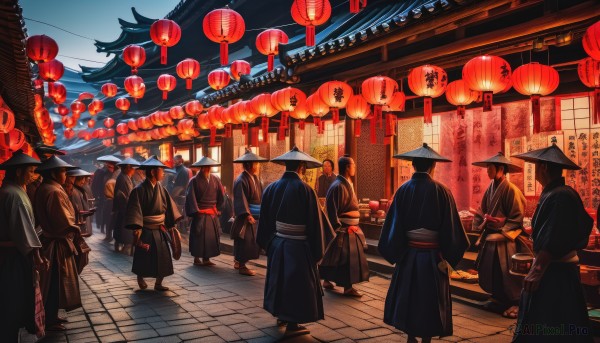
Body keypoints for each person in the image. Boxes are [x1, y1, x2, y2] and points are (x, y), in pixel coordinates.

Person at [379, 143, 469, 343]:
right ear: (432, 166)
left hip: (409, 255)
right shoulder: (442, 191)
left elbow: (393, 225)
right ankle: (426, 339)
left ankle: (411, 336)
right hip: (432, 257)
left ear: (413, 165)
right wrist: (449, 256)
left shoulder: (402, 191)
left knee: (409, 296)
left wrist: (398, 251)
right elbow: (451, 228)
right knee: (429, 298)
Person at [512, 143, 593, 342]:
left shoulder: (560, 195)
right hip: (555, 270)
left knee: (552, 324)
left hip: (556, 272)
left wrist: (537, 269)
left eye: (536, 165)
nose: (535, 170)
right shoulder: (556, 193)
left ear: (545, 167)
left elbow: (554, 236)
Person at [257, 147, 334, 339]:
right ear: (302, 166)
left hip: (277, 242)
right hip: (298, 246)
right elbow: (316, 223)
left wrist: (269, 243)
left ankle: (281, 315)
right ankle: (292, 323)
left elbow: (264, 220)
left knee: (279, 280)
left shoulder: (271, 188)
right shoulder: (305, 190)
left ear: (285, 165)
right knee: (295, 283)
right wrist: (317, 250)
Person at [471, 153, 526, 319]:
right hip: (491, 235)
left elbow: (517, 216)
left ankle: (513, 301)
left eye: (490, 168)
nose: (487, 171)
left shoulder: (512, 190)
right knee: (492, 270)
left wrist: (502, 224)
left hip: (505, 238)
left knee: (505, 272)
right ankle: (496, 299)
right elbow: (482, 210)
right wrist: (481, 222)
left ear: (500, 169)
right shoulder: (491, 189)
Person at [0, 151, 47, 341]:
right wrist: (37, 256)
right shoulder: (14, 195)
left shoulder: (10, 191)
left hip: (11, 253)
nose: (34, 175)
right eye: (31, 171)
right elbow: (24, 234)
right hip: (13, 257)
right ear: (19, 172)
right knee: (13, 301)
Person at [33, 156, 82, 331]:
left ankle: (52, 315)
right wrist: (75, 229)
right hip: (55, 243)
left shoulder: (45, 187)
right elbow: (63, 221)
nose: (66, 175)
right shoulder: (53, 191)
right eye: (63, 171)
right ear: (54, 173)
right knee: (54, 281)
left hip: (51, 240)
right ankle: (50, 318)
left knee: (55, 281)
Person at [124, 156, 182, 291]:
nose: (163, 173)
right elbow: (135, 209)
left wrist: (171, 224)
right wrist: (137, 228)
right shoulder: (138, 190)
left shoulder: (161, 188)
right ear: (152, 172)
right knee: (144, 256)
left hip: (160, 228)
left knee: (163, 256)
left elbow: (168, 207)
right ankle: (140, 277)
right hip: (146, 228)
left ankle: (158, 282)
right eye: (161, 170)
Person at [320, 155, 369, 296]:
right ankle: (347, 287)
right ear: (347, 167)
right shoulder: (338, 186)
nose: (354, 168)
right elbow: (331, 209)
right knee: (346, 259)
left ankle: (327, 279)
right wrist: (336, 228)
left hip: (350, 227)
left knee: (336, 257)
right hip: (342, 229)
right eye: (353, 165)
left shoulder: (347, 183)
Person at [231, 149, 268, 276]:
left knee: (251, 240)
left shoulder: (255, 178)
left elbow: (261, 196)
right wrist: (247, 214)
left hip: (256, 212)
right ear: (248, 165)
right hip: (246, 214)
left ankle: (238, 261)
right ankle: (242, 265)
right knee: (244, 240)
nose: (257, 166)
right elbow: (241, 198)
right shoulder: (241, 179)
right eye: (255, 164)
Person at [185, 156, 225, 266]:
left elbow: (221, 194)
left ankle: (207, 258)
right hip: (200, 212)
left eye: (209, 167)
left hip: (211, 212)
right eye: (205, 167)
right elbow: (190, 197)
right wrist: (195, 211)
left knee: (210, 236)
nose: (208, 169)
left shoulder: (215, 179)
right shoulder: (193, 180)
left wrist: (219, 207)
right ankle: (197, 257)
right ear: (201, 168)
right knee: (198, 235)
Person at [112, 158, 140, 255]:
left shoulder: (125, 177)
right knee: (124, 228)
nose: (133, 170)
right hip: (125, 208)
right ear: (128, 168)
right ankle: (126, 245)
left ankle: (120, 243)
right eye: (132, 168)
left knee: (121, 227)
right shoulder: (123, 178)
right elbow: (128, 194)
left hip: (123, 208)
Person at [91, 155, 120, 235]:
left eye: (111, 166)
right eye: (109, 166)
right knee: (105, 212)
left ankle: (107, 228)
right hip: (103, 195)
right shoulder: (102, 172)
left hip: (112, 197)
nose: (110, 168)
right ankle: (104, 227)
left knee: (109, 214)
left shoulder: (116, 173)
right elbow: (97, 184)